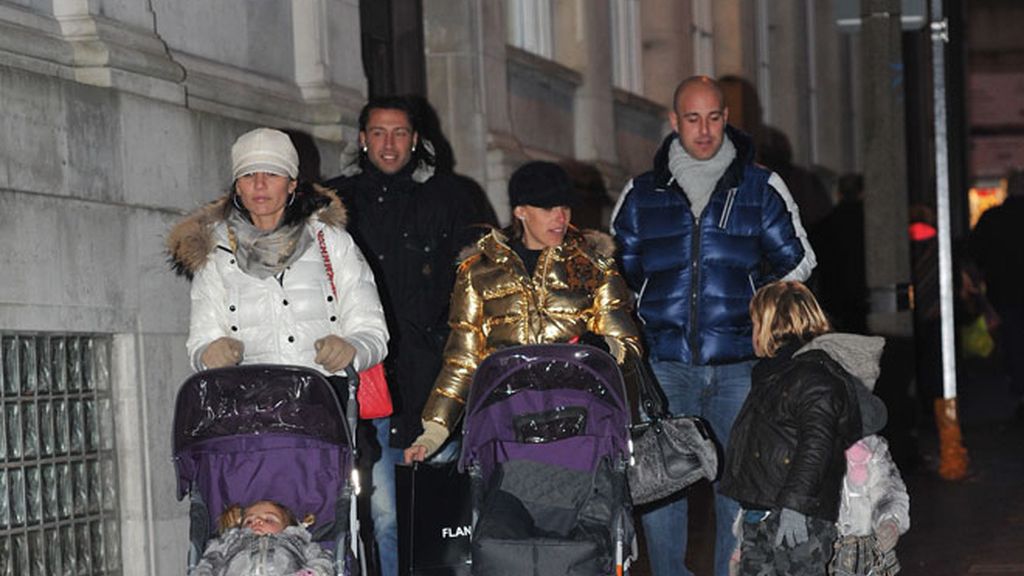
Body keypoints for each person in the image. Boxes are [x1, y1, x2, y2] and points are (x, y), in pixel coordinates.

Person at [610, 75, 816, 576]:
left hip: (739, 366)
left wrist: (757, 311)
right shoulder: (641, 193)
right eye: (693, 119)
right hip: (665, 366)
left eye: (715, 117)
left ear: (727, 118)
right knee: (660, 490)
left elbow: (799, 260)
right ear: (674, 121)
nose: (705, 130)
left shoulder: (760, 186)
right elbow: (614, 275)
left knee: (739, 488)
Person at [323, 95, 496, 576]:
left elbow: (482, 281)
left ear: (416, 140)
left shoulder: (452, 197)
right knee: (383, 516)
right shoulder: (335, 202)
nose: (389, 143)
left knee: (444, 510)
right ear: (362, 139)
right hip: (371, 379)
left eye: (399, 133)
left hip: (438, 378)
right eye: (378, 132)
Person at [405, 160, 645, 462]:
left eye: (565, 207)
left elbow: (630, 348)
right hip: (507, 427)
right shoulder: (478, 272)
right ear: (521, 211)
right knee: (507, 507)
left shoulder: (595, 267)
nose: (561, 218)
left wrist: (603, 348)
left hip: (581, 425)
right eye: (548, 209)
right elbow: (462, 361)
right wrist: (433, 432)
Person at [167, 126, 388, 383]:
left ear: (292, 184)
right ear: (238, 186)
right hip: (251, 407)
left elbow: (373, 332)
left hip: (326, 400)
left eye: (272, 173)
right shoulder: (217, 252)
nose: (260, 185)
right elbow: (200, 343)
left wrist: (352, 350)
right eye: (248, 175)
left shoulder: (328, 240)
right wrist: (209, 354)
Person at [719, 281, 865, 576]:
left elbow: (817, 445)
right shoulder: (771, 374)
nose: (752, 333)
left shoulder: (814, 376)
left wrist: (794, 507)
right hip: (762, 511)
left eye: (755, 323)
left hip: (799, 518)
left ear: (773, 325)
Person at [969, 169, 1024, 416]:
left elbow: (975, 254)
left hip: (1005, 291)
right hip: (1007, 289)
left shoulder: (993, 218)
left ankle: (1019, 387)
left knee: (1014, 342)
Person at [195, 500, 332, 576]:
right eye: (249, 521)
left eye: (269, 519)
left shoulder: (296, 541)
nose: (257, 522)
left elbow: (322, 558)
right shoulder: (232, 541)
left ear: (287, 527)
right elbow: (210, 560)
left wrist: (313, 572)